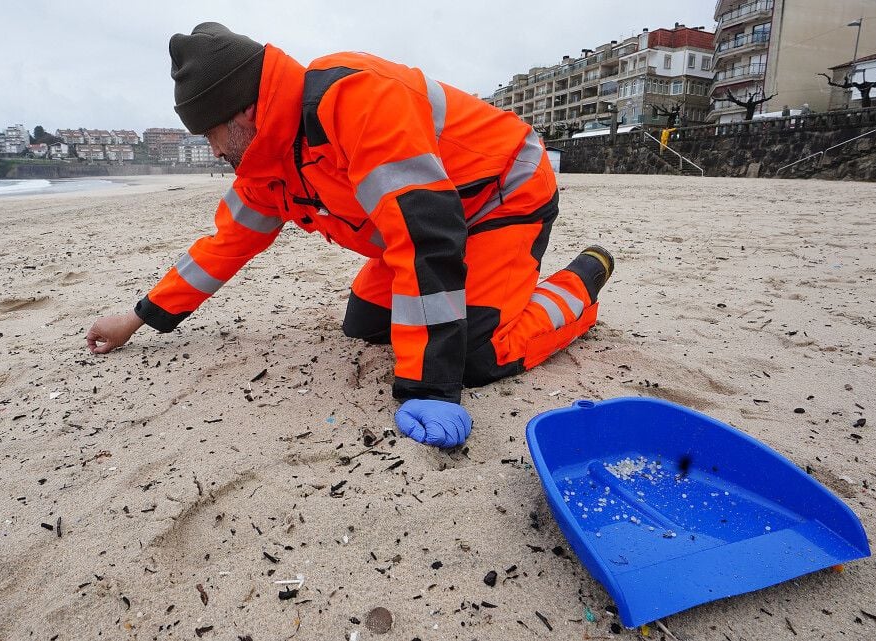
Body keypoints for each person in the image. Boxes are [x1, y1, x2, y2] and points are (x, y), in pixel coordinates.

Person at [85, 22, 614, 448]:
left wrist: (430, 388)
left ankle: (580, 281)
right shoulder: (267, 167)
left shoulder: (356, 99)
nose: (214, 152)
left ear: (244, 111)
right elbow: (221, 248)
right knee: (365, 324)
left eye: (211, 134)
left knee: (472, 357)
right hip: (432, 222)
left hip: (502, 195)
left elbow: (427, 235)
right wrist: (137, 319)